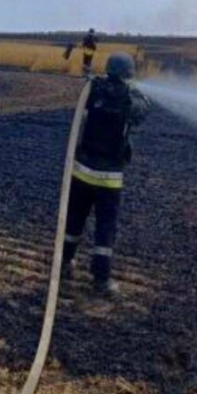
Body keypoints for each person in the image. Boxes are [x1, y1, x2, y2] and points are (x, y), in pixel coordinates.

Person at [62, 52, 151, 297]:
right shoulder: (132, 99)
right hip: (109, 177)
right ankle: (101, 280)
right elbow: (144, 111)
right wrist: (130, 90)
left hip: (82, 171)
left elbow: (86, 105)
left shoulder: (93, 90)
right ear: (128, 74)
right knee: (105, 228)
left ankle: (64, 265)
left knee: (73, 221)